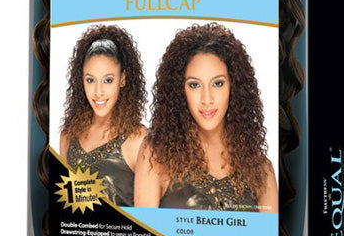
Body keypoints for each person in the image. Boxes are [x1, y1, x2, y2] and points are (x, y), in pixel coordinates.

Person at [135, 23, 278, 212]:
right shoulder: (155, 156)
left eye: (217, 83)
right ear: (179, 90)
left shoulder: (261, 170)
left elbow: (267, 232)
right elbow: (144, 230)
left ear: (234, 86)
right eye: (194, 85)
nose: (207, 99)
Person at [59, 25, 147, 207]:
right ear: (81, 79)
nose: (98, 92)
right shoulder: (67, 136)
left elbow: (148, 219)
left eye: (108, 80)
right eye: (90, 80)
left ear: (122, 79)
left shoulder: (139, 140)